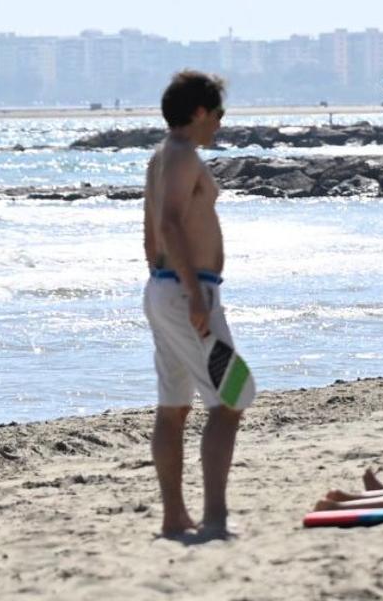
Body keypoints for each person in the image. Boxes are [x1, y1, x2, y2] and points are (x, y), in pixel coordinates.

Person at [143, 70, 255, 538]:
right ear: (201, 112)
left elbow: (151, 230)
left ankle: (174, 518)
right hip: (187, 290)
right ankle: (214, 519)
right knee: (231, 400)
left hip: (164, 287)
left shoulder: (162, 156)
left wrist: (166, 282)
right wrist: (192, 291)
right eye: (219, 115)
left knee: (174, 406)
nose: (221, 126)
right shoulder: (183, 154)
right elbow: (168, 222)